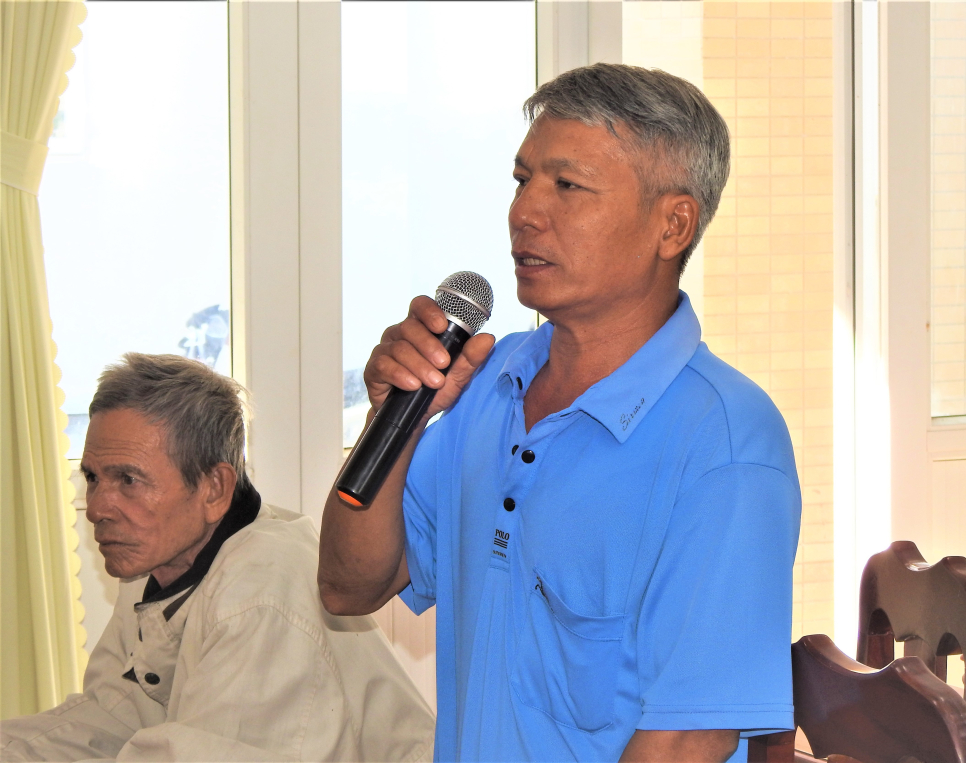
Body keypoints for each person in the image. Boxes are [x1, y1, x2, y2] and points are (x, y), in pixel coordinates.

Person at [318, 64, 801, 763]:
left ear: (672, 224)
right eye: (522, 180)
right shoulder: (486, 383)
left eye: (567, 186)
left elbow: (683, 740)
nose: (525, 212)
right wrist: (393, 419)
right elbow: (348, 585)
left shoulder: (726, 441)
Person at [1, 354, 435, 762]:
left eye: (128, 480)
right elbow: (112, 717)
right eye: (93, 477)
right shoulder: (155, 565)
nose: (97, 508)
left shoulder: (263, 588)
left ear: (214, 489)